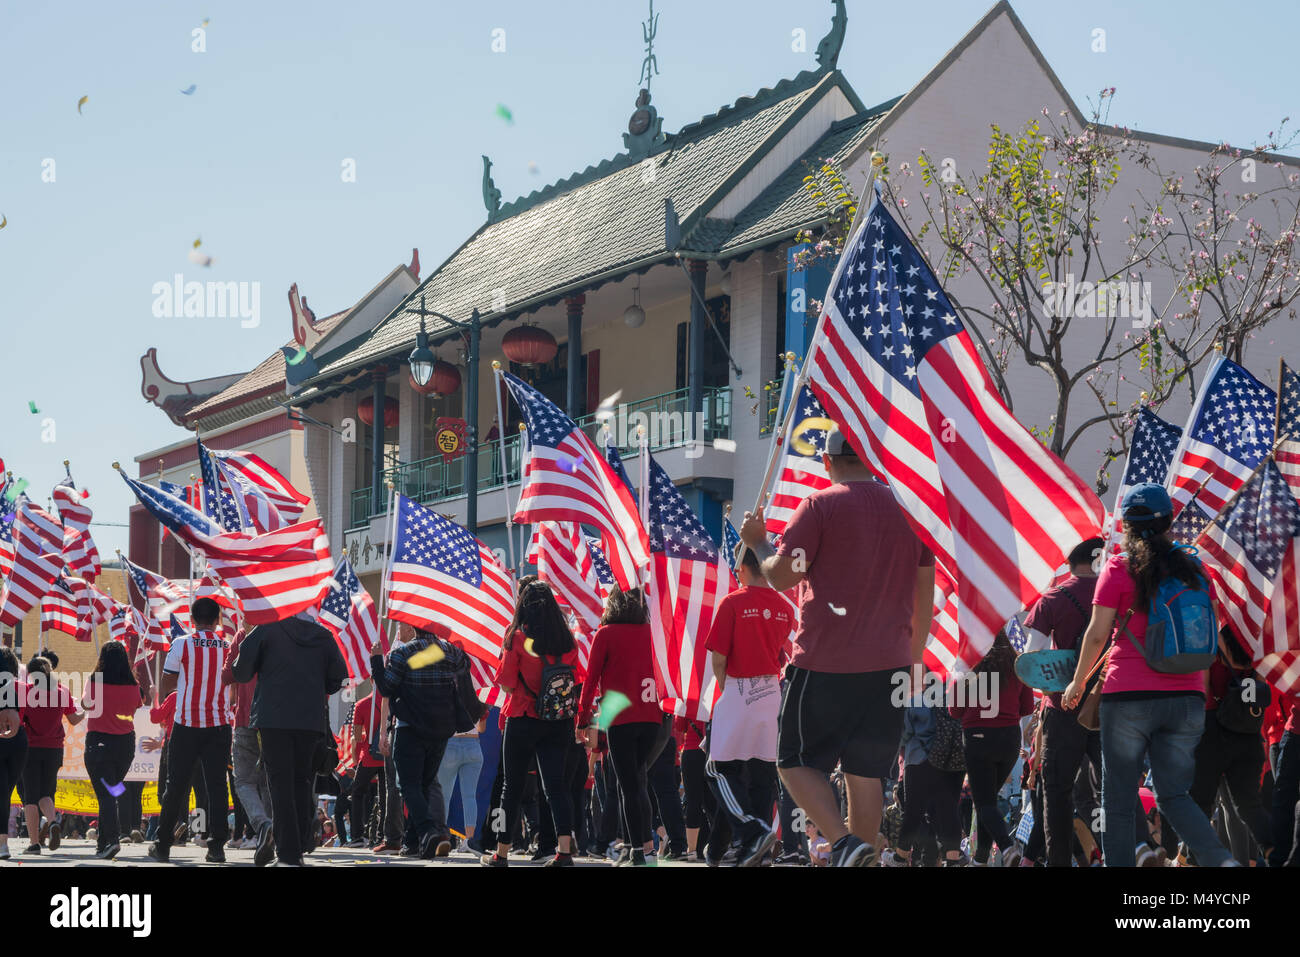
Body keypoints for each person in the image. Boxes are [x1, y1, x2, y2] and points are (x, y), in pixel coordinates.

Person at [740, 426, 935, 867]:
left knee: (792, 760)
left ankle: (843, 843)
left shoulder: (819, 505)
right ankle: (855, 852)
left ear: (827, 463)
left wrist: (757, 541)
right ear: (870, 458)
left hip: (825, 662)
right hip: (891, 666)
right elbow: (926, 593)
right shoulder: (910, 511)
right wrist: (916, 658)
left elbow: (781, 575)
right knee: (866, 776)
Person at [1062, 482, 1233, 867]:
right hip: (1188, 696)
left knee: (1119, 800)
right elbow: (1210, 630)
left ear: (1125, 525)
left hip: (1129, 697)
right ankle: (1223, 862)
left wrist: (1078, 681)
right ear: (1170, 523)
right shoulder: (1195, 569)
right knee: (1175, 796)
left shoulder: (1119, 568)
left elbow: (1096, 634)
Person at [232, 606, 347, 867]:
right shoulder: (323, 635)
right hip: (309, 721)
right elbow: (337, 677)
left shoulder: (267, 630)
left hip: (274, 720)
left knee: (280, 785)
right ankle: (300, 845)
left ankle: (289, 854)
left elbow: (241, 672)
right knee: (302, 782)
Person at [702, 545, 795, 866]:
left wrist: (731, 694)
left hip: (739, 688)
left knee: (718, 769)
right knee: (761, 772)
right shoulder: (785, 607)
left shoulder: (733, 603)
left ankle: (751, 830)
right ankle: (755, 849)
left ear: (741, 567)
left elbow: (719, 659)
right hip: (771, 692)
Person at [485, 579, 581, 867]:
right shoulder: (567, 640)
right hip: (558, 721)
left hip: (523, 718)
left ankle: (500, 853)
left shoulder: (517, 637)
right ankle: (564, 851)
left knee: (510, 788)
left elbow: (506, 683)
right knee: (556, 787)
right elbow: (575, 677)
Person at [370, 621, 474, 860]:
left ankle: (428, 831)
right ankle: (415, 841)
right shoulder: (450, 651)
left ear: (414, 628)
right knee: (424, 784)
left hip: (411, 727)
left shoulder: (402, 652)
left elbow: (386, 688)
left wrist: (376, 660)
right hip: (441, 728)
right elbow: (464, 666)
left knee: (408, 785)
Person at [576, 586, 662, 867]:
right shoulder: (652, 632)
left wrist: (582, 720)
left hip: (622, 722)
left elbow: (590, 681)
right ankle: (643, 849)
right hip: (652, 719)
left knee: (628, 786)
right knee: (638, 782)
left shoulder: (606, 633)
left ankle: (636, 849)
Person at [148, 597, 234, 864]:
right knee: (217, 786)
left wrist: (185, 686)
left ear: (192, 620)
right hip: (219, 724)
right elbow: (233, 687)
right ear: (218, 620)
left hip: (186, 724)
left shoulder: (182, 643)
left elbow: (166, 681)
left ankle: (163, 845)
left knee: (176, 786)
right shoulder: (228, 648)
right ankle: (216, 846)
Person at [1189, 625, 1275, 863]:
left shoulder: (1210, 640)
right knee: (1249, 806)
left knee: (1201, 804)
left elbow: (1203, 690)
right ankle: (1274, 853)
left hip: (1212, 728)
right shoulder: (1258, 643)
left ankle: (1195, 859)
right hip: (1248, 732)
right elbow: (1259, 689)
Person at [953, 631, 1034, 866]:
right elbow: (1027, 707)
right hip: (1009, 740)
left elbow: (954, 711)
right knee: (987, 803)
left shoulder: (968, 666)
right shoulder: (1016, 663)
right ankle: (980, 860)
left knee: (984, 804)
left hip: (978, 738)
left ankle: (1008, 848)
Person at [82, 641, 148, 860]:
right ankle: (103, 843)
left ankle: (111, 840)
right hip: (125, 746)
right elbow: (138, 705)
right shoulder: (133, 686)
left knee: (107, 795)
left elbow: (86, 704)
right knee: (110, 792)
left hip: (99, 744)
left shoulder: (95, 681)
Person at [222, 624, 274, 864]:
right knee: (267, 782)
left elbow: (227, 675)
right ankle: (271, 833)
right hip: (274, 720)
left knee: (243, 781)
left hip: (246, 718)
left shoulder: (243, 635)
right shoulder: (282, 631)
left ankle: (263, 825)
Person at [20, 655, 83, 855]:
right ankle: (53, 821)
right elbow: (73, 720)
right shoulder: (63, 692)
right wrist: (85, 711)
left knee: (31, 798)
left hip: (30, 748)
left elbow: (18, 720)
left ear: (31, 674)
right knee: (46, 794)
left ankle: (33, 843)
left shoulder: (26, 693)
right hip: (54, 749)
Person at [438, 710, 485, 849]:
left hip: (451, 744)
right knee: (470, 796)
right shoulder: (478, 698)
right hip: (473, 745)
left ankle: (441, 837)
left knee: (444, 796)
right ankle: (469, 840)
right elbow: (482, 728)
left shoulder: (448, 693)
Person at [0, 647, 29, 861]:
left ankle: (2, 844)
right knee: (5, 793)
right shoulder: (22, 686)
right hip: (20, 741)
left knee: (2, 794)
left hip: (5, 735)